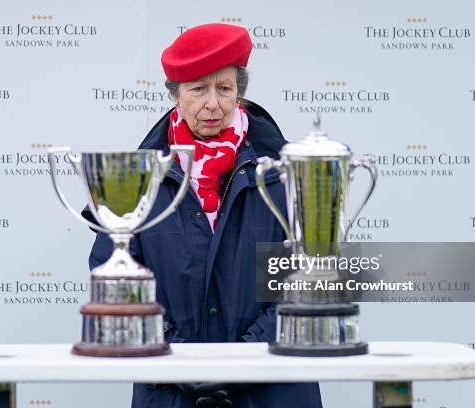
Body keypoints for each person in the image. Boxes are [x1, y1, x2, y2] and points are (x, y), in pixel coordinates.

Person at [84, 23, 323, 408]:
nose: (213, 103)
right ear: (176, 95)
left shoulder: (288, 171)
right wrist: (185, 365)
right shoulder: (136, 178)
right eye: (198, 89)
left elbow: (313, 279)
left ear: (239, 94)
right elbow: (112, 280)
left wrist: (241, 364)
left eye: (225, 88)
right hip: (170, 387)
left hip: (273, 387)